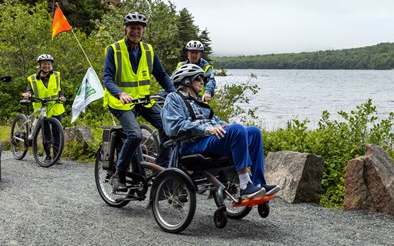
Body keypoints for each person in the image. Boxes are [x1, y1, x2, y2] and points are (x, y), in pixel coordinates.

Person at [162, 64, 279, 200]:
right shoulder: (174, 98)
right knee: (237, 129)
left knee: (253, 132)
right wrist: (206, 130)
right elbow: (174, 126)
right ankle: (245, 185)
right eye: (199, 78)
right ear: (187, 81)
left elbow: (213, 119)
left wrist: (223, 125)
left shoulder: (198, 102)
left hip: (209, 140)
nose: (202, 82)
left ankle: (259, 183)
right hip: (191, 144)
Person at [103, 12, 177, 192]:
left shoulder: (149, 51)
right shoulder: (114, 49)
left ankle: (161, 171)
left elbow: (161, 75)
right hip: (121, 103)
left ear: (143, 31)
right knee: (135, 135)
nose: (135, 31)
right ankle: (118, 174)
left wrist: (175, 95)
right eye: (132, 28)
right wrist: (120, 93)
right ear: (125, 29)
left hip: (144, 101)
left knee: (170, 127)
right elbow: (107, 78)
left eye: (139, 28)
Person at [23, 54, 66, 164]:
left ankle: (57, 156)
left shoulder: (56, 75)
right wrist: (27, 94)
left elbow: (60, 90)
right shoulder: (32, 79)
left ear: (51, 65)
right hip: (42, 108)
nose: (46, 66)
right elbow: (29, 90)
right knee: (46, 133)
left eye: (48, 64)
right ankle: (48, 156)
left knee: (57, 133)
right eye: (44, 64)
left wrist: (62, 96)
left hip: (55, 107)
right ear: (40, 65)